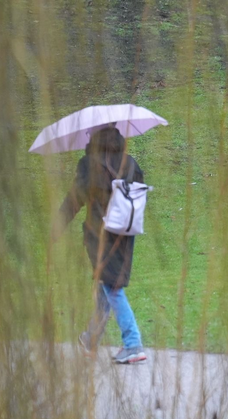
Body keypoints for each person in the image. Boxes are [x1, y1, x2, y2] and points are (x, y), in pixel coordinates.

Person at [53, 126, 147, 364]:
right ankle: (91, 338)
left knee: (112, 287)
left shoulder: (89, 164)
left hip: (100, 234)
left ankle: (133, 343)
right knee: (105, 282)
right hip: (126, 234)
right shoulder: (130, 163)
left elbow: (75, 198)